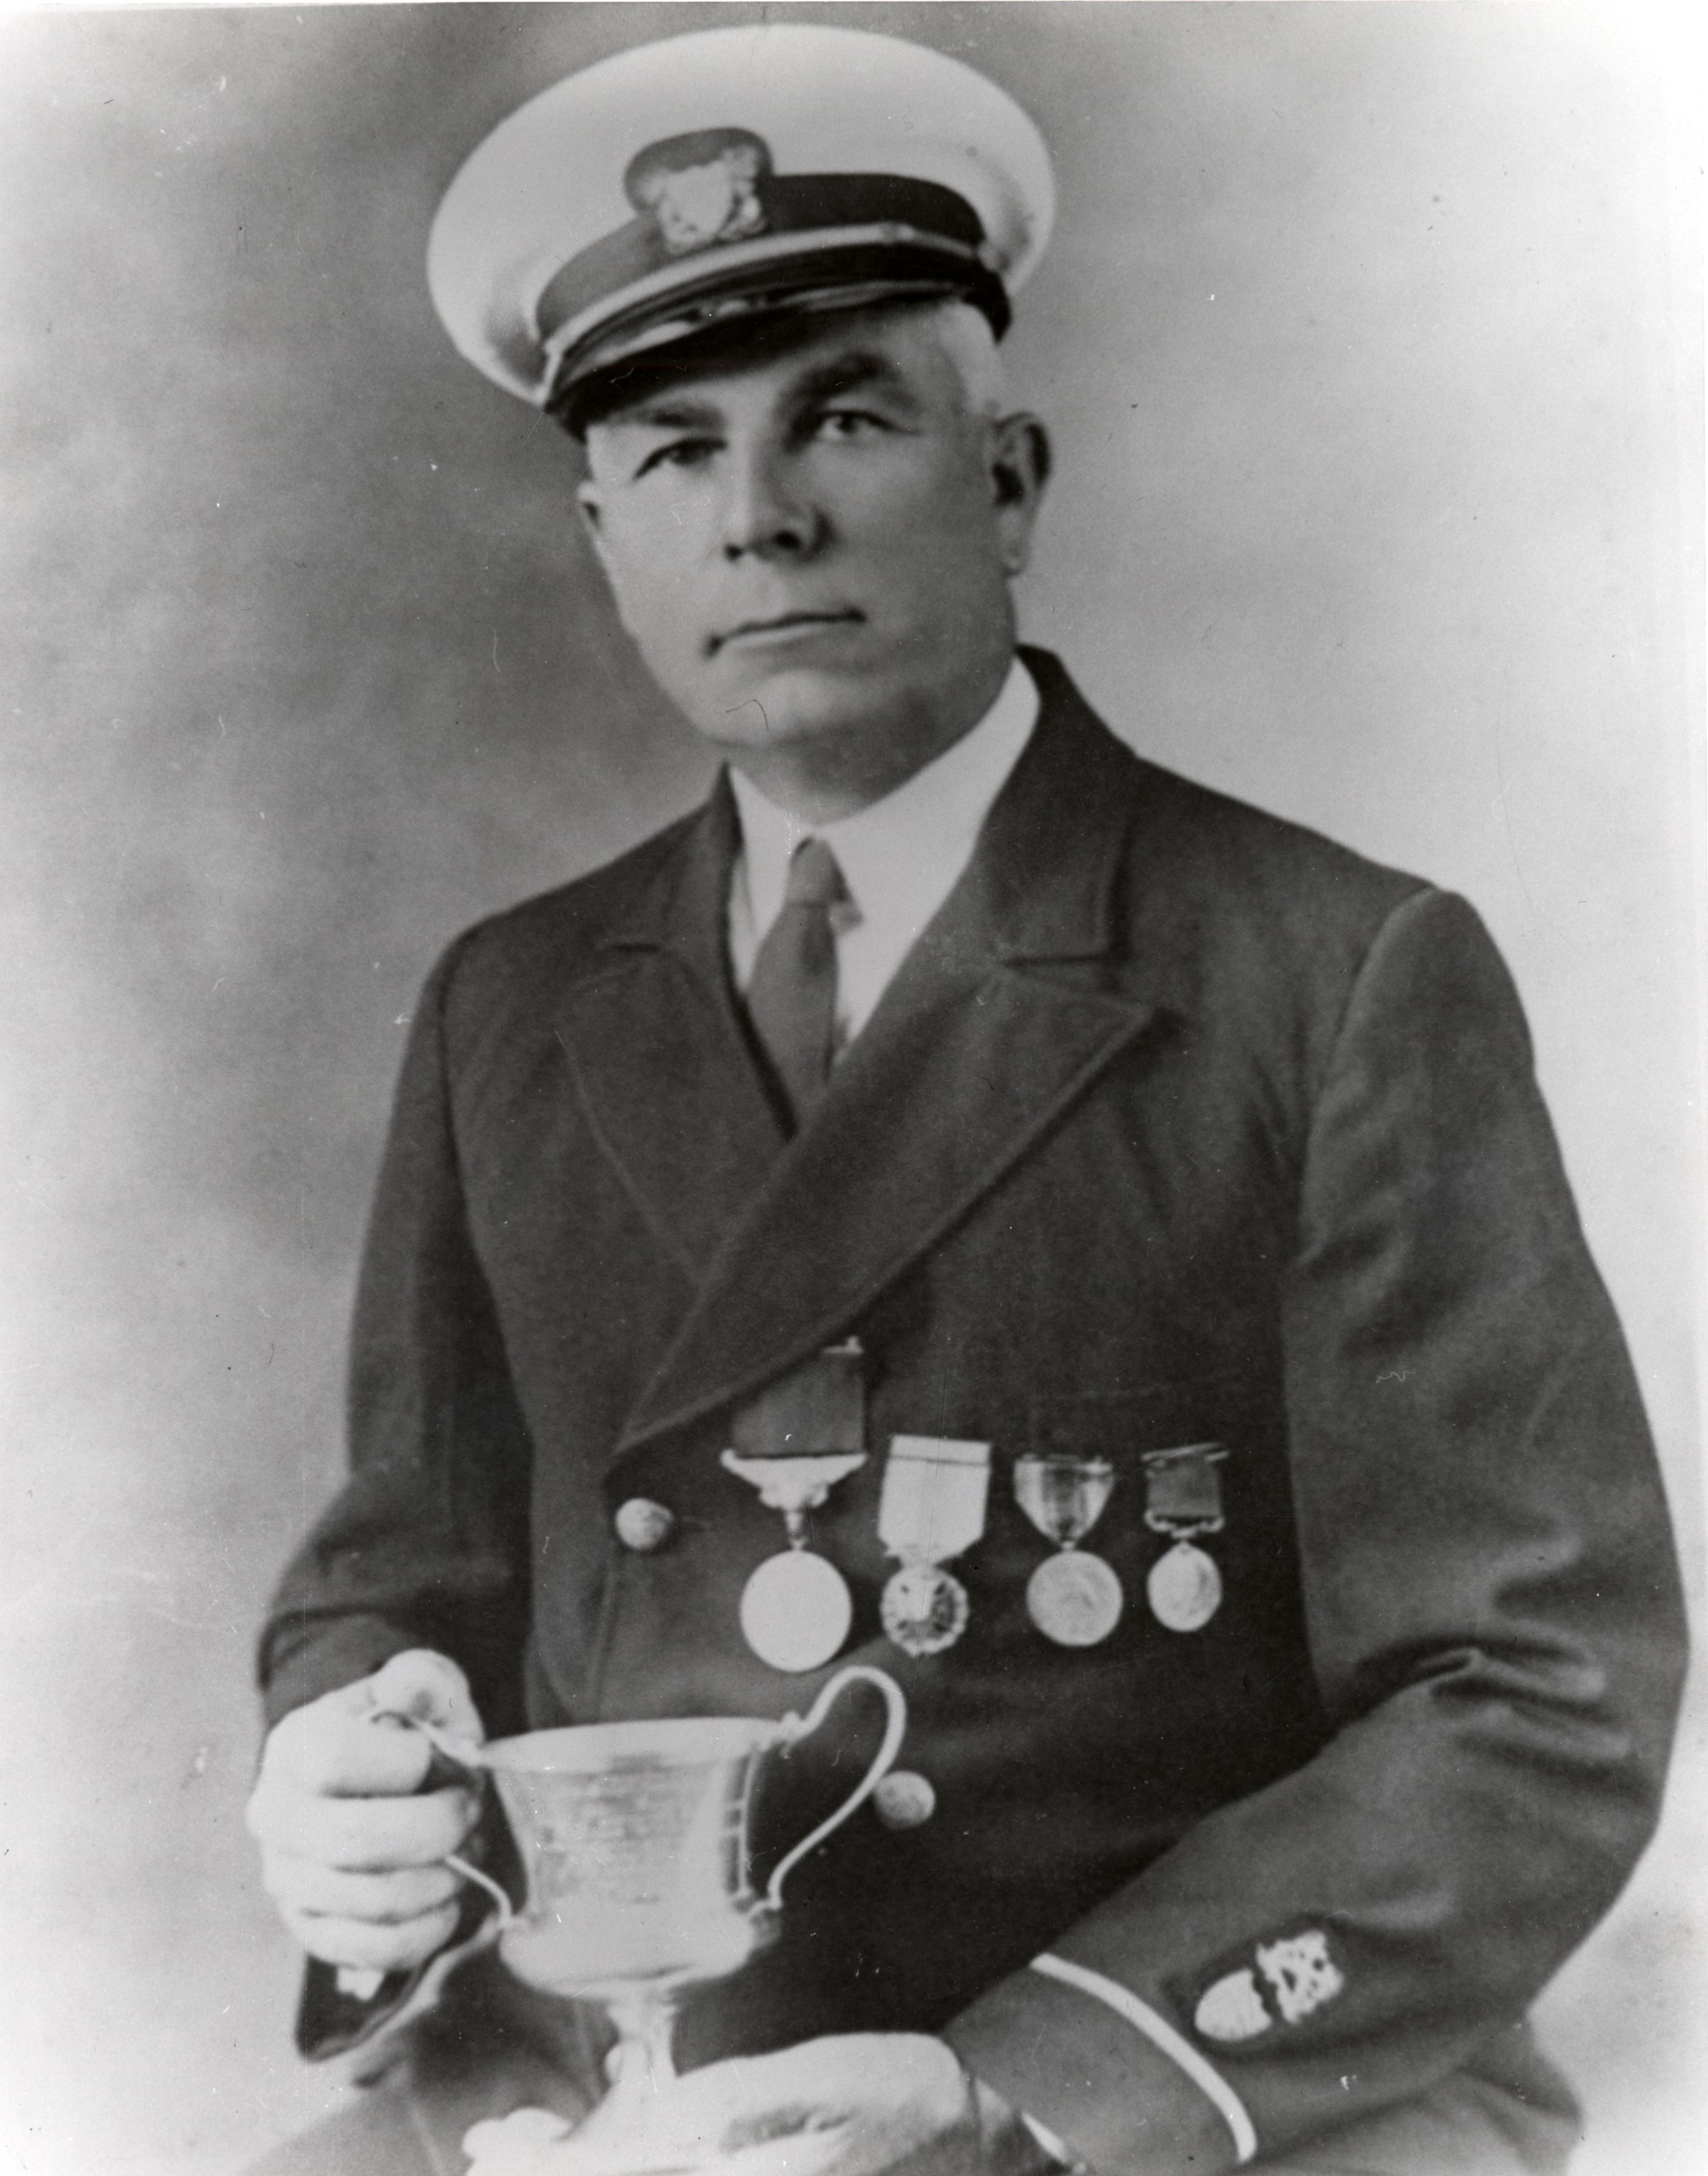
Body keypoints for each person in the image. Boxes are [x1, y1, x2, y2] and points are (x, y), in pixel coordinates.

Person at [245, 24, 1687, 2176]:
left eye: (843, 414)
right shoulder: (506, 1006)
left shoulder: (1327, 969)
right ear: (599, 535)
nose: (759, 517)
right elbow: (400, 1575)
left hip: (1169, 2082)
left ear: (1004, 478)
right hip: (621, 2066)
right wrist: (340, 1757)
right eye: (669, 451)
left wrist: (1014, 2079)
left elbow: (1532, 1687)